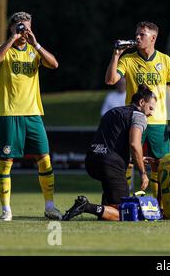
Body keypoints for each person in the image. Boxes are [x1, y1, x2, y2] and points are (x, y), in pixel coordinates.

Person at [0, 12, 61, 221]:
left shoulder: (33, 51)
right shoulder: (2, 50)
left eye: (27, 27)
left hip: (33, 114)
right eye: (20, 27)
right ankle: (6, 210)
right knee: (6, 161)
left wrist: (36, 44)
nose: (24, 32)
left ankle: (49, 206)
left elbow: (54, 64)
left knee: (44, 158)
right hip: (9, 114)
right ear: (11, 28)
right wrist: (12, 38)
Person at [104, 21, 170, 200]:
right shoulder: (128, 59)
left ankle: (159, 204)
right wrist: (116, 55)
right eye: (137, 34)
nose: (137, 37)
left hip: (157, 121)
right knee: (128, 162)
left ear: (153, 38)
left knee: (159, 164)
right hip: (133, 119)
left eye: (142, 35)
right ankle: (123, 200)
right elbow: (110, 80)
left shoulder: (165, 60)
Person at [62, 85, 155, 221]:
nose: (151, 113)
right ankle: (86, 206)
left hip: (92, 160)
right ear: (141, 103)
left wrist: (133, 158)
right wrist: (143, 173)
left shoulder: (113, 111)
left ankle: (103, 211)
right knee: (125, 212)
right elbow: (135, 144)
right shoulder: (139, 116)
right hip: (110, 164)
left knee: (111, 197)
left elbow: (112, 141)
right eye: (151, 108)